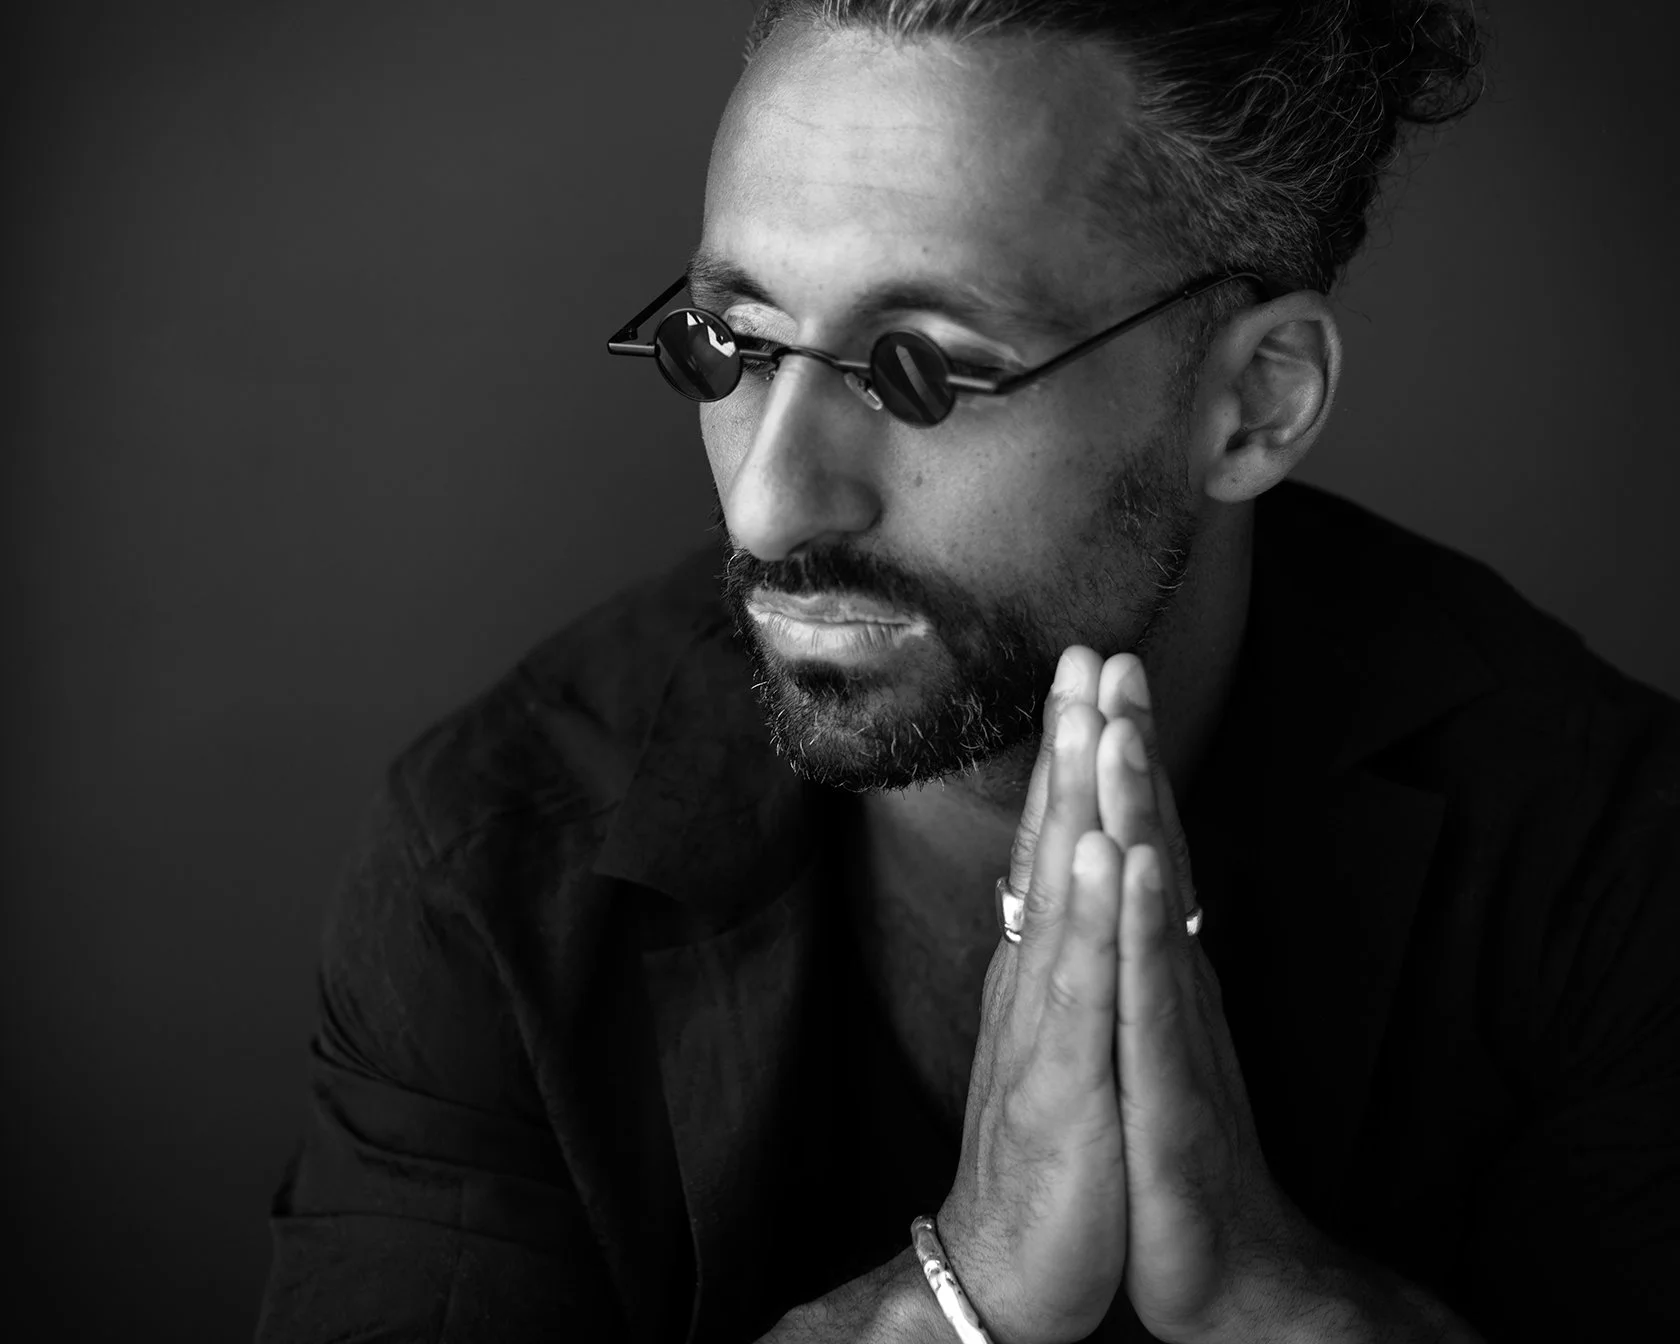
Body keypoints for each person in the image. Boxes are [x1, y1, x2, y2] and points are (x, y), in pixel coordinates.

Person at [255, 2, 1680, 1341]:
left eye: (920, 370)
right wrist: (966, 1296)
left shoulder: (1610, 859)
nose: (769, 506)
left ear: (1254, 404)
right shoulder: (493, 866)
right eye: (733, 343)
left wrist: (1270, 1299)